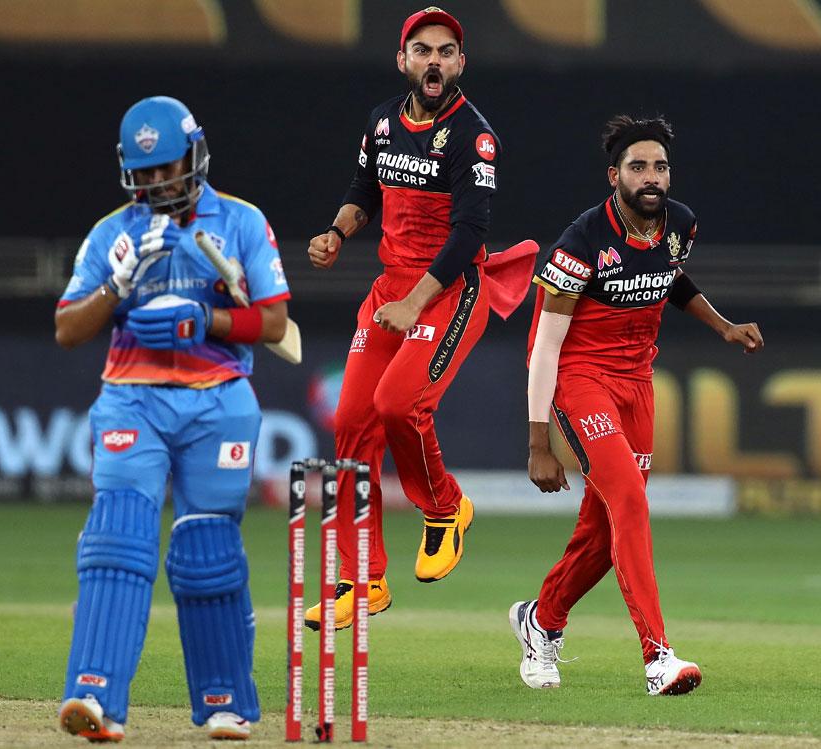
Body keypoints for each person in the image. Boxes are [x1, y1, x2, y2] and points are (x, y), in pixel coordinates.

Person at [54, 95, 291, 741]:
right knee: (118, 538)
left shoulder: (240, 222)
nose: (160, 181)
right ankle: (94, 697)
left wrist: (203, 320)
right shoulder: (113, 233)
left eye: (169, 167)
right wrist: (116, 287)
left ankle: (225, 702)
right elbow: (67, 328)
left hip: (218, 398)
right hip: (133, 396)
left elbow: (273, 324)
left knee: (206, 550)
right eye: (148, 172)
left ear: (194, 155)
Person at [511, 115, 764, 695]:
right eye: (638, 167)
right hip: (580, 381)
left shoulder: (679, 224)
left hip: (637, 385)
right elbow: (545, 346)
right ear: (614, 176)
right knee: (628, 501)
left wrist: (722, 325)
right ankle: (658, 657)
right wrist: (537, 442)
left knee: (605, 529)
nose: (651, 177)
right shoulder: (581, 242)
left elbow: (669, 279)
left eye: (660, 167)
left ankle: (541, 621)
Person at [305, 6, 509, 630]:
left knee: (398, 406)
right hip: (389, 291)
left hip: (448, 291)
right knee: (350, 425)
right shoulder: (383, 122)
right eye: (422, 50)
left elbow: (470, 229)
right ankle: (360, 581)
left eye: (446, 51)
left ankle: (446, 507)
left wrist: (414, 301)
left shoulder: (474, 135)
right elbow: (365, 187)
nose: (434, 60)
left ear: (460, 64)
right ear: (403, 60)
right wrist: (339, 232)